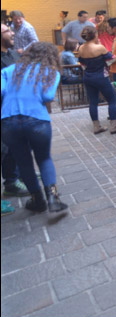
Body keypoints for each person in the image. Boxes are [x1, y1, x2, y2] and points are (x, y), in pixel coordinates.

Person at [1, 42, 68, 213]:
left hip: (9, 121)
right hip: (37, 120)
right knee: (44, 158)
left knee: (23, 161)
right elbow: (48, 95)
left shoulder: (8, 71)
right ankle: (53, 198)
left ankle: (36, 199)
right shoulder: (51, 72)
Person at [1, 24, 30, 208]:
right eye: (7, 31)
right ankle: (11, 181)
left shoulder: (12, 54)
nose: (12, 33)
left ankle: (15, 177)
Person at [77, 26, 116, 134]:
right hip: (101, 76)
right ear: (95, 35)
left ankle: (96, 126)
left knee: (93, 102)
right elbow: (111, 59)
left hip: (88, 77)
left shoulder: (81, 48)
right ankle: (114, 126)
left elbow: (82, 64)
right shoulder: (100, 48)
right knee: (112, 100)